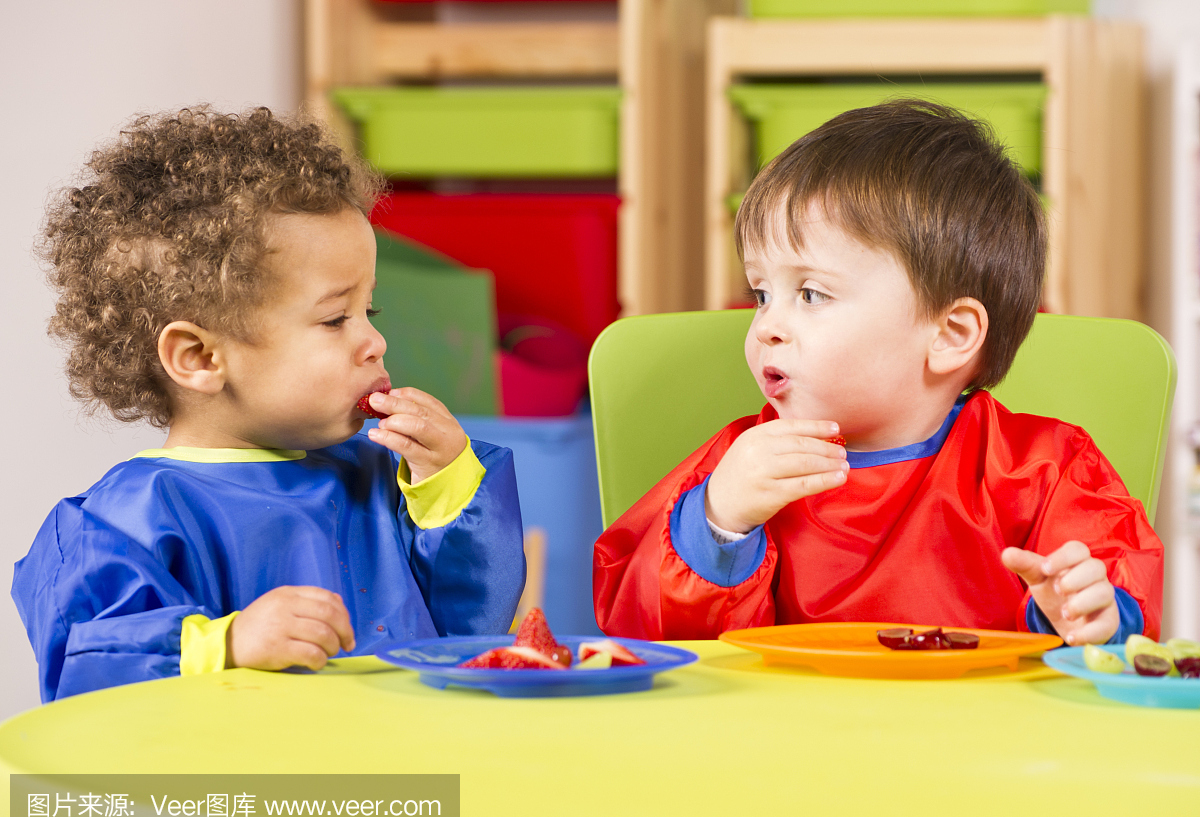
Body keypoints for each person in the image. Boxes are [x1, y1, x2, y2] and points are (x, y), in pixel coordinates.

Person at [593, 100, 1162, 645]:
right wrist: (721, 524)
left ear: (950, 335)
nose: (766, 325)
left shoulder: (1043, 469)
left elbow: (1116, 591)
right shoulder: (740, 462)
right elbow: (644, 629)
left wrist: (1090, 614)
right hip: (785, 738)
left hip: (982, 740)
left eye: (811, 294)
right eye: (763, 293)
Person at [13, 106, 525, 702]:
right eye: (336, 319)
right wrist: (224, 646)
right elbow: (86, 670)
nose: (375, 342)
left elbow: (469, 631)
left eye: (370, 312)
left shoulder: (381, 477)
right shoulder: (120, 523)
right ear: (201, 358)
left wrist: (448, 485)